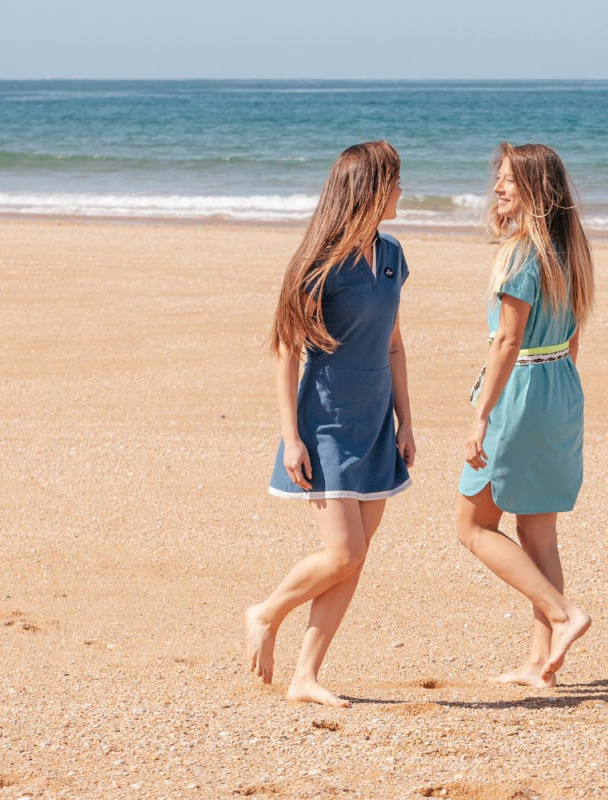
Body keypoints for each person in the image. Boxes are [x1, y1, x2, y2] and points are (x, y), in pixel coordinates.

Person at [244, 140, 415, 708]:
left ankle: (305, 677)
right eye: (393, 181)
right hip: (327, 426)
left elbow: (393, 346)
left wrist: (405, 424)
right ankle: (266, 612)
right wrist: (291, 437)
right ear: (368, 189)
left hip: (376, 426)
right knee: (342, 554)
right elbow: (286, 352)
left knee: (355, 558)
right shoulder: (320, 265)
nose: (399, 191)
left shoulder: (392, 255)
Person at [456, 142, 595, 688]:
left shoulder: (519, 254)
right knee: (539, 535)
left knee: (472, 526)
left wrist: (480, 416)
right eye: (498, 177)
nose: (497, 187)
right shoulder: (569, 252)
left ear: (535, 190)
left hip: (521, 390)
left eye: (509, 180)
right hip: (560, 387)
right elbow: (573, 335)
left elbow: (508, 342)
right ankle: (543, 666)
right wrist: (557, 396)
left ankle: (564, 616)